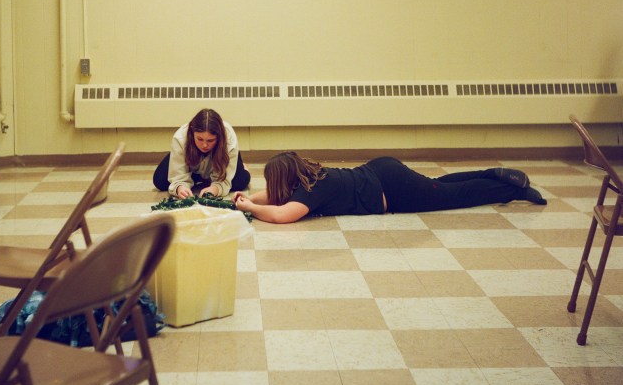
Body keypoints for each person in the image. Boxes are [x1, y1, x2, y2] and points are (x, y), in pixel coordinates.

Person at [233, 152, 547, 224]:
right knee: (438, 187)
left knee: (452, 196)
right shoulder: (309, 178)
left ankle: (512, 190)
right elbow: (276, 196)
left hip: (393, 189)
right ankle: (493, 174)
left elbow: (283, 215)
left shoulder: (311, 192)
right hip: (381, 170)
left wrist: (251, 208)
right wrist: (246, 198)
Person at [153, 108, 251, 199]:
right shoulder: (180, 137)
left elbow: (225, 180)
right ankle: (204, 178)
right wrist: (180, 187)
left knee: (239, 183)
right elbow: (177, 175)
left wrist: (215, 189)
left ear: (219, 137)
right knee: (160, 181)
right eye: (200, 139)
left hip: (222, 161)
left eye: (210, 140)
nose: (204, 145)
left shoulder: (229, 139)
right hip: (192, 167)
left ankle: (243, 167)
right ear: (192, 133)